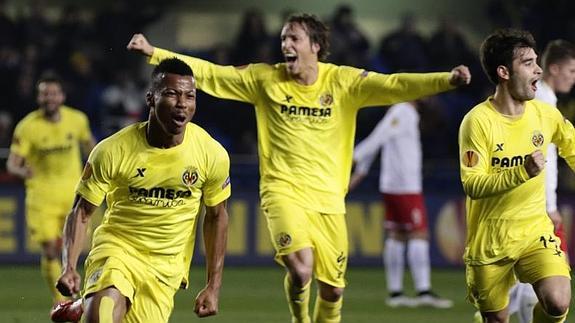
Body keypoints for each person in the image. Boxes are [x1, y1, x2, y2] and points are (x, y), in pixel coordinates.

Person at [128, 13, 470, 323]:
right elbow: (213, 74)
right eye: (282, 39)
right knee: (301, 268)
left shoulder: (343, 83)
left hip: (329, 203)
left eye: (293, 39)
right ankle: (299, 319)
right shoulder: (266, 79)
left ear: (316, 46)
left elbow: (396, 84)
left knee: (333, 291)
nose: (285, 45)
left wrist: (445, 81)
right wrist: (155, 53)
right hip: (282, 192)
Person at [53, 58, 231, 322]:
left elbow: (217, 217)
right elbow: (81, 212)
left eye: (189, 96)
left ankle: (82, 305)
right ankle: (93, 302)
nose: (182, 103)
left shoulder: (211, 154)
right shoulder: (112, 150)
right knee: (101, 317)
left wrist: (213, 286)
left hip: (164, 267)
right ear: (150, 99)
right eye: (171, 94)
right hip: (117, 248)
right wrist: (69, 267)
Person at [459, 29, 574, 323]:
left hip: (534, 231)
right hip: (491, 239)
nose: (538, 69)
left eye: (537, 61)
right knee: (497, 319)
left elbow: (573, 148)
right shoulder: (477, 122)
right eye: (528, 63)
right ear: (504, 72)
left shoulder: (544, 114)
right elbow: (472, 184)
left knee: (558, 301)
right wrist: (521, 172)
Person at [349, 100, 453, 309]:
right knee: (419, 234)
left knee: (397, 236)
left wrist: (358, 174)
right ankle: (423, 291)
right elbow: (377, 139)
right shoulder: (403, 110)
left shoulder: (399, 113)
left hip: (393, 185)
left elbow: (380, 140)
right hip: (405, 186)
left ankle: (395, 293)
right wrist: (353, 158)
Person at [501, 39, 575, 323]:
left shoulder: (546, 99)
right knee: (552, 277)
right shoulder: (541, 100)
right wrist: (548, 203)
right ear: (554, 69)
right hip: (538, 204)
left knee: (532, 278)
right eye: (571, 71)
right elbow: (540, 158)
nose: (573, 78)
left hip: (534, 202)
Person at [6, 73, 95, 304]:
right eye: (45, 93)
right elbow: (12, 164)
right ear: (39, 98)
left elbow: (93, 149)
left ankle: (81, 293)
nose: (50, 98)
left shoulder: (77, 120)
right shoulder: (27, 127)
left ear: (62, 96)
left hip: (73, 195)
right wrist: (22, 171)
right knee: (49, 249)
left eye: (54, 93)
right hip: (41, 196)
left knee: (77, 250)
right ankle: (61, 301)